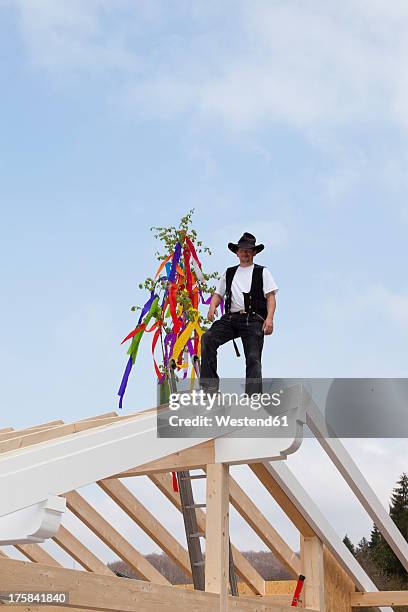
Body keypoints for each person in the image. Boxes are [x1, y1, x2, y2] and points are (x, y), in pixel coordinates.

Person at [200, 232, 278, 396]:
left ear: (254, 252)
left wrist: (269, 319)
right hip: (231, 318)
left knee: (253, 357)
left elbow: (271, 297)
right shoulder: (229, 273)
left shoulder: (262, 272)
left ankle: (253, 396)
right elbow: (218, 294)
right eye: (242, 250)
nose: (245, 253)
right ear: (237, 252)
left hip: (253, 319)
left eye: (249, 250)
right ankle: (210, 388)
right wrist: (212, 307)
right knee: (208, 338)